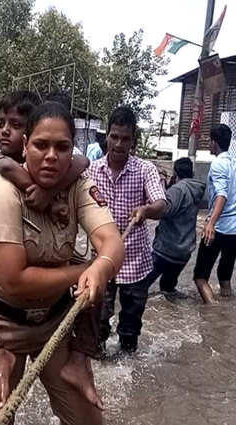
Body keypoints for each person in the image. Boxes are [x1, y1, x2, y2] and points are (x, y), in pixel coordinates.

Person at [0, 101, 125, 425]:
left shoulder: (80, 186)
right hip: (1, 326)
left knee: (90, 422)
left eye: (62, 147)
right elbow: (13, 280)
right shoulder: (4, 190)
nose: (51, 155)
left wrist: (101, 267)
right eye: (41, 145)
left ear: (72, 151)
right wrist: (85, 270)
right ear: (25, 146)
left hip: (55, 322)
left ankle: (81, 359)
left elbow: (112, 241)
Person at [86, 106, 167, 354]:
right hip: (102, 260)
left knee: (130, 329)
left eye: (125, 138)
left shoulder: (145, 170)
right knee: (96, 324)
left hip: (135, 263)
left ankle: (128, 373)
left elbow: (161, 204)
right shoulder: (92, 171)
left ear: (134, 141)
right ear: (106, 137)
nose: (119, 144)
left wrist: (146, 210)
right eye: (114, 136)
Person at [193, 124, 236, 304]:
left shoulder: (217, 164)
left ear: (214, 143)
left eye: (209, 141)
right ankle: (228, 309)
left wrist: (210, 223)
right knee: (225, 277)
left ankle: (215, 313)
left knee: (200, 276)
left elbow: (222, 195)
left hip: (219, 228)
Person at [147, 158, 206, 300]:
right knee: (167, 289)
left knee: (140, 286)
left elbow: (163, 210)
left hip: (166, 250)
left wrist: (161, 185)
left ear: (175, 174)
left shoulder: (178, 189)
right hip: (183, 252)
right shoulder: (195, 189)